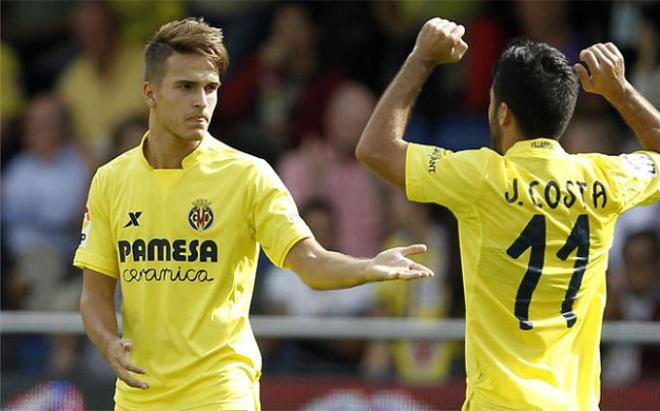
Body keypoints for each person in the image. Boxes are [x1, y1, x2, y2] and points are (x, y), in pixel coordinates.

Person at [74, 18, 433, 411]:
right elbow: (95, 295)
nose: (201, 101)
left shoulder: (248, 175)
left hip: (222, 393)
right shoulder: (110, 180)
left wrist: (366, 267)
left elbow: (310, 261)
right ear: (150, 93)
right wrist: (109, 344)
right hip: (138, 398)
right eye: (186, 87)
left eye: (210, 88)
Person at [356, 17, 659, 411]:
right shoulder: (605, 180)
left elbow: (374, 148)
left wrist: (421, 59)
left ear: (503, 113)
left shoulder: (481, 177)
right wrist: (619, 93)